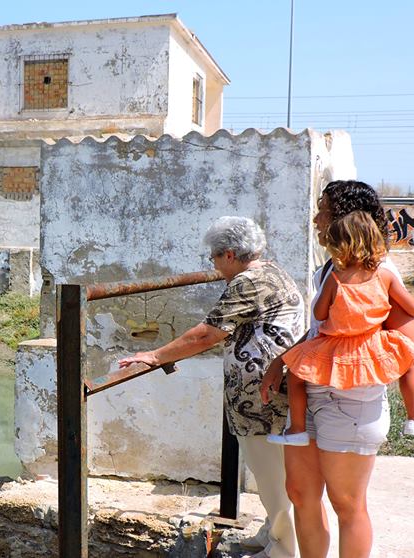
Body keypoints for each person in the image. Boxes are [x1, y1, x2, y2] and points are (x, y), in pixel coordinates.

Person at [259, 180, 414, 558]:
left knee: (347, 504)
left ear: (345, 217)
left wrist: (361, 353)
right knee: (301, 495)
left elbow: (413, 349)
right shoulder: (332, 270)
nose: (316, 217)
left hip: (352, 403)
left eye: (323, 208)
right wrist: (279, 363)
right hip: (313, 393)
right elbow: (324, 330)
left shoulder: (381, 271)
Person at [118, 216, 303, 558]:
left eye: (214, 258)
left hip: (259, 396)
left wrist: (155, 355)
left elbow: (207, 333)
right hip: (274, 391)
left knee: (269, 472)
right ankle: (271, 532)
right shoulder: (274, 271)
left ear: (230, 254)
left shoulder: (247, 282)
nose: (213, 264)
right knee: (273, 470)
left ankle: (284, 549)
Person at [266, 210, 414, 446]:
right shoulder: (385, 276)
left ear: (340, 247)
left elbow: (318, 314)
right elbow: (413, 307)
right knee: (407, 366)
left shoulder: (335, 278)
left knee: (297, 375)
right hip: (371, 344)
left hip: (336, 343)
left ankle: (297, 430)